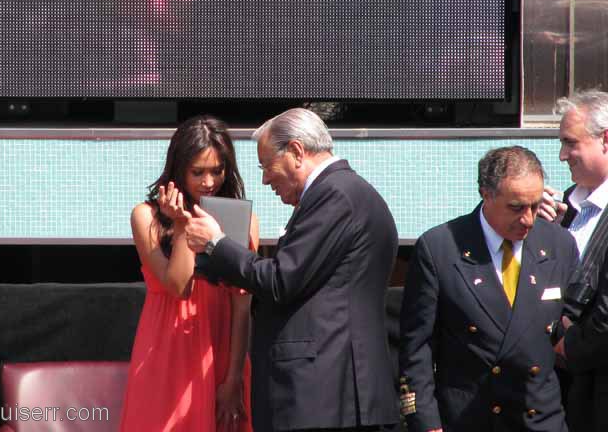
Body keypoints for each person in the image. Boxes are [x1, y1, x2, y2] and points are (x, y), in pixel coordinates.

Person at [185, 108, 400, 432]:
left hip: (325, 396)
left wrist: (216, 242)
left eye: (267, 165)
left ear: (297, 152)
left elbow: (281, 280)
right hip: (328, 396)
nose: (265, 178)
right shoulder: (342, 193)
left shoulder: (335, 195)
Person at [399, 146, 578, 432]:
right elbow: (416, 348)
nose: (529, 219)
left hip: (539, 418)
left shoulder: (558, 244)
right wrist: (425, 421)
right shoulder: (441, 248)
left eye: (534, 205)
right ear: (486, 194)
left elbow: (569, 329)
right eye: (516, 207)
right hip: (472, 417)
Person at [119, 115, 258, 432]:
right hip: (167, 350)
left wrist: (234, 377)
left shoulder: (241, 219)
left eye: (217, 171)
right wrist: (182, 225)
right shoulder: (146, 216)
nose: (209, 182)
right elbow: (178, 286)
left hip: (221, 347)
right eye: (198, 172)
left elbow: (242, 306)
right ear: (178, 168)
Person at [537, 90, 608, 432]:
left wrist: (572, 347)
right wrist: (538, 233)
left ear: (605, 140)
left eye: (570, 143)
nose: (562, 155)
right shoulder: (565, 206)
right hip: (559, 390)